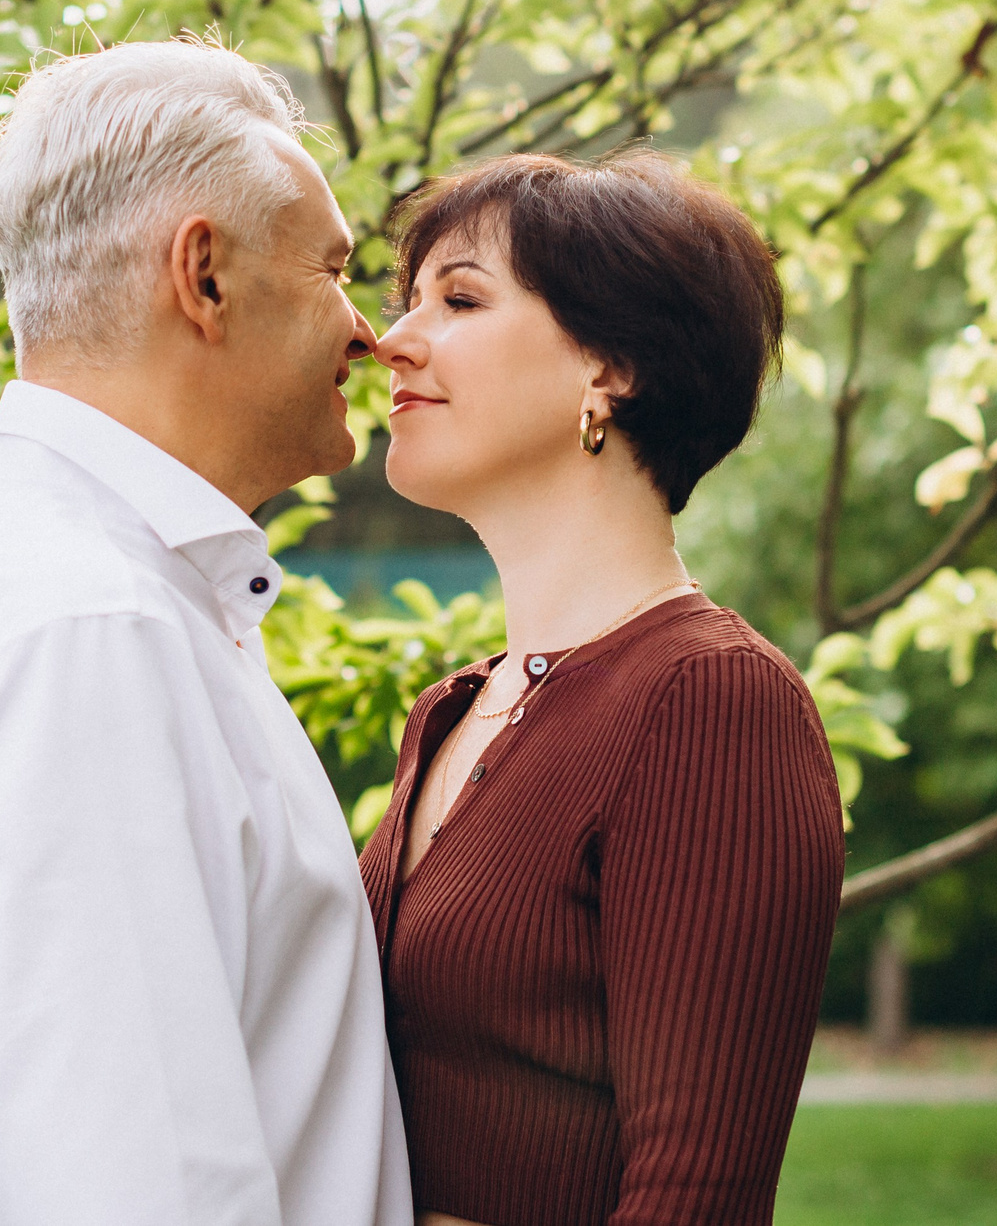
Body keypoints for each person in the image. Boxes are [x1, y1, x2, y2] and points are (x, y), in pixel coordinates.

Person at [0, 38, 410, 1226]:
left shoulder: (69, 587)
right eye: (335, 270)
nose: (367, 332)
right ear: (204, 276)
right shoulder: (83, 629)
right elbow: (145, 1189)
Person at [359, 151, 847, 1226]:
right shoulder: (449, 712)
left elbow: (696, 1199)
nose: (393, 338)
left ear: (611, 366)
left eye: (460, 298)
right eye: (407, 301)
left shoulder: (710, 703)